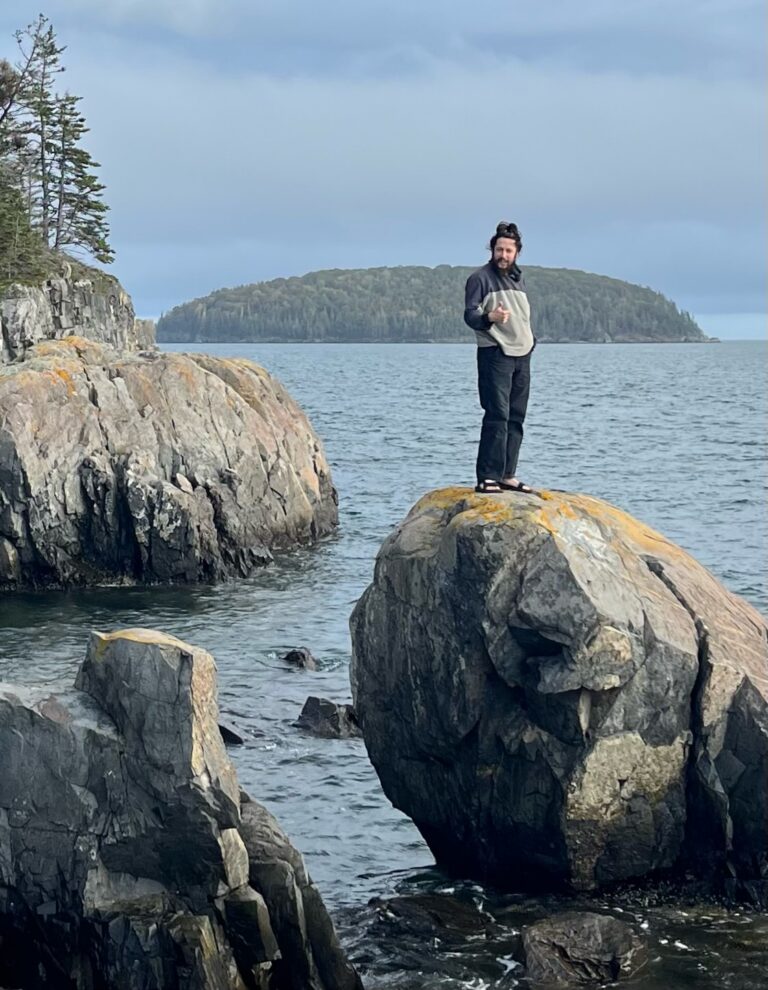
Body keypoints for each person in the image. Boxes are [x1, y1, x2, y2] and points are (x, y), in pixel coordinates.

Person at [464, 221, 535, 494]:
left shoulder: (518, 279)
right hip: (495, 353)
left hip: (522, 354)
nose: (503, 255)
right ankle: (487, 476)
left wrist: (531, 342)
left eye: (508, 250)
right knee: (497, 415)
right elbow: (470, 315)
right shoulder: (479, 279)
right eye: (499, 250)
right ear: (492, 250)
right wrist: (489, 317)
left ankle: (507, 474)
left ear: (517, 252)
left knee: (516, 416)